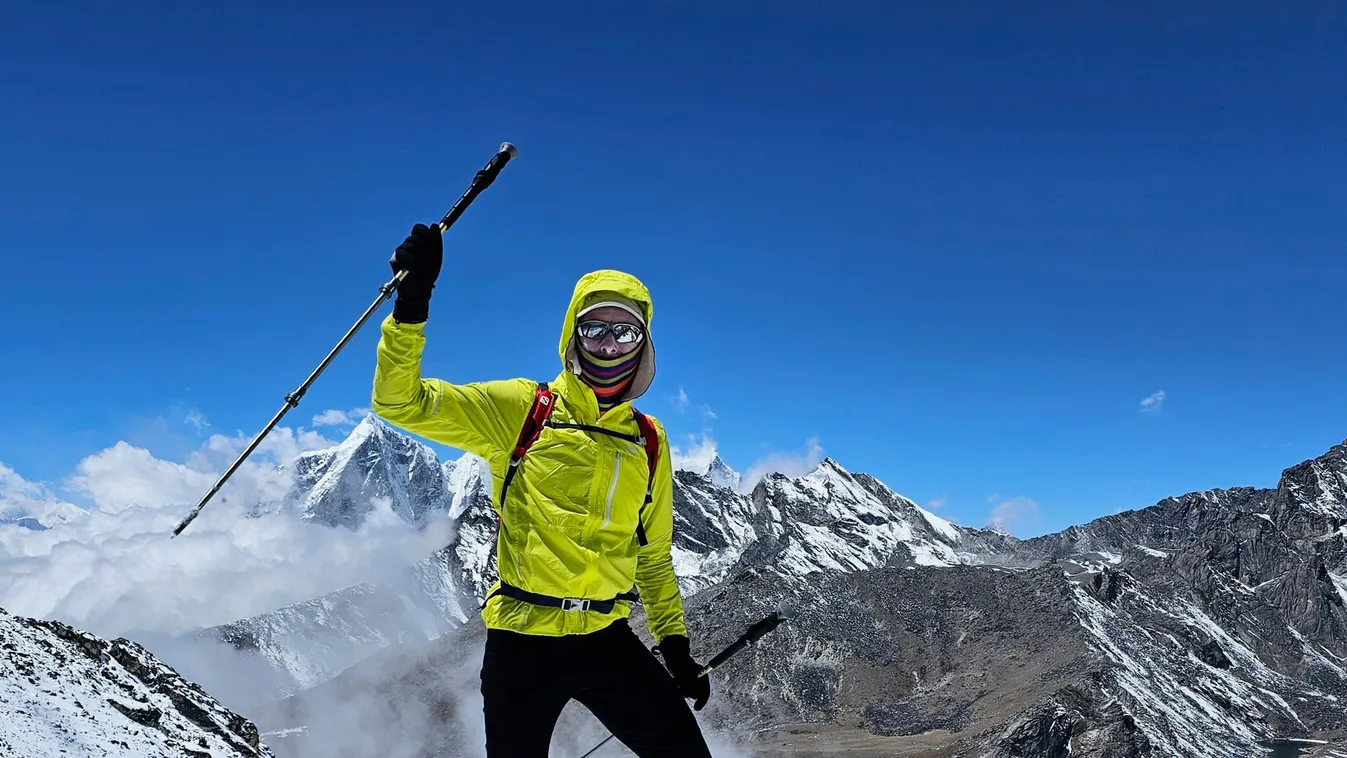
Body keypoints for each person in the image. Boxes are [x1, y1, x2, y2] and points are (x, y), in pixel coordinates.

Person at [370, 223, 714, 757]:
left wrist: (675, 646)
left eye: (624, 332)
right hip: (523, 643)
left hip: (606, 639)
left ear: (644, 342)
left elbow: (651, 554)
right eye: (595, 327)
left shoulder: (648, 439)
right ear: (573, 333)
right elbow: (400, 403)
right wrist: (412, 305)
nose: (608, 343)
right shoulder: (523, 409)